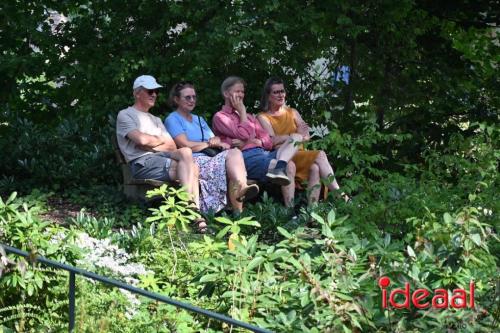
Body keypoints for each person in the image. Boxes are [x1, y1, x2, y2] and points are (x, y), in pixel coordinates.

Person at [116, 75, 206, 232]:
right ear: (137, 93)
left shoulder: (156, 119)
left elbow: (171, 146)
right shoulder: (125, 114)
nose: (154, 95)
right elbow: (141, 140)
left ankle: (190, 208)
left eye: (155, 92)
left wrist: (150, 143)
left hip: (159, 159)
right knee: (192, 169)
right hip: (141, 163)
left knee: (185, 152)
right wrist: (156, 140)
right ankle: (194, 214)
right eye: (150, 91)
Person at [164, 81, 259, 214]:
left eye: (194, 97)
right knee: (232, 160)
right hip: (192, 162)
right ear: (176, 99)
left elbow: (215, 139)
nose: (192, 100)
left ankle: (241, 190)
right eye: (187, 97)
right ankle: (238, 208)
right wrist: (208, 144)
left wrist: (216, 140)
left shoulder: (199, 119)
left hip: (210, 158)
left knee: (235, 152)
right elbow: (184, 144)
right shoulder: (173, 119)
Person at [257, 77, 349, 205]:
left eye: (282, 91)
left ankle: (312, 212)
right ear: (268, 95)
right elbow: (272, 141)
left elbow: (306, 137)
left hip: (301, 154)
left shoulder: (292, 112)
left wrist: (291, 137)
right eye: (276, 92)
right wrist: (293, 135)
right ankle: (341, 196)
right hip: (283, 155)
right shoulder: (263, 117)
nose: (280, 95)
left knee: (315, 167)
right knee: (320, 154)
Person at [212, 76, 300, 207]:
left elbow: (268, 141)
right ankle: (290, 211)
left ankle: (280, 167)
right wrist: (242, 112)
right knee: (290, 166)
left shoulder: (249, 117)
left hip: (263, 153)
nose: (241, 95)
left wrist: (253, 142)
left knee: (296, 138)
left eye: (242, 91)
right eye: (237, 91)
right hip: (245, 159)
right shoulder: (220, 117)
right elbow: (243, 134)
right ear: (226, 93)